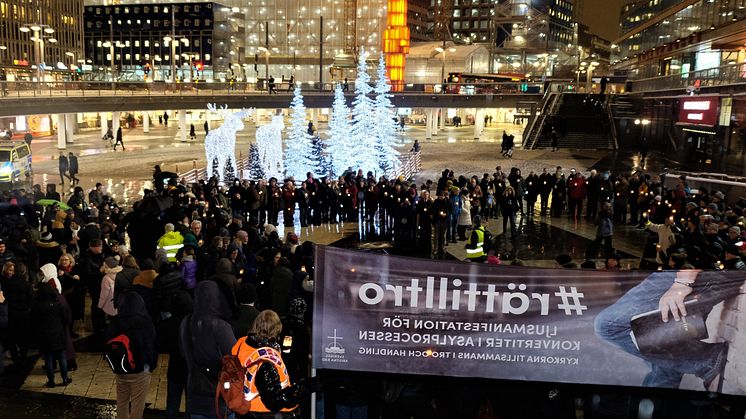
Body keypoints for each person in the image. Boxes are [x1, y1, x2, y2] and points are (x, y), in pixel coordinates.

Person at [231, 310, 315, 416]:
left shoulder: (241, 343)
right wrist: (309, 386)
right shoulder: (268, 359)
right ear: (277, 330)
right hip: (265, 412)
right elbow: (275, 401)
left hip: (244, 407)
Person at [179, 280, 236, 418]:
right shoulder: (221, 326)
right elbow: (233, 358)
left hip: (195, 391)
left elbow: (183, 352)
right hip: (220, 395)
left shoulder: (186, 322)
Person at [107, 291, 157, 419]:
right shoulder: (145, 323)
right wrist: (150, 366)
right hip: (140, 370)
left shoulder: (116, 322)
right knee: (137, 403)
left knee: (122, 401)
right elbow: (151, 347)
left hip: (121, 368)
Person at [31, 282, 72, 388]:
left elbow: (34, 322)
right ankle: (65, 378)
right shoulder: (57, 304)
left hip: (45, 335)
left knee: (48, 358)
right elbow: (66, 318)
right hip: (58, 333)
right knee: (62, 357)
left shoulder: (37, 306)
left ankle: (51, 381)